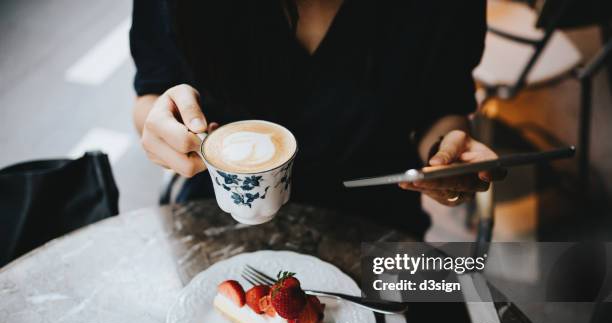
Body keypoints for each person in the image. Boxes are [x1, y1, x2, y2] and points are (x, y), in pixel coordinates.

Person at [130, 0, 502, 237]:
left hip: (377, 218)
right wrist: (160, 125)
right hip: (221, 213)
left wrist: (443, 153)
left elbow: (441, 103)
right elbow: (153, 90)